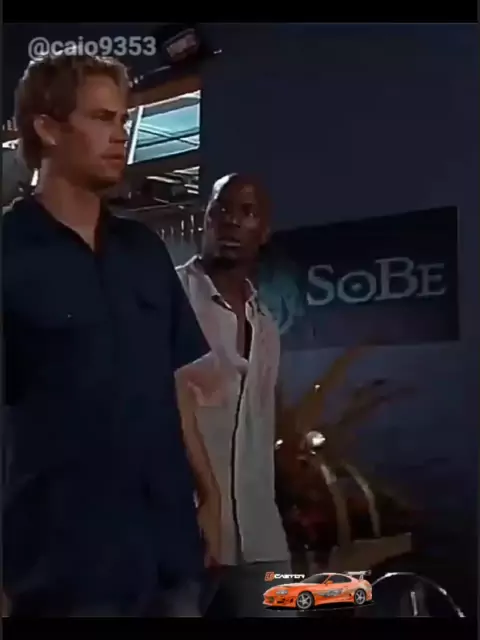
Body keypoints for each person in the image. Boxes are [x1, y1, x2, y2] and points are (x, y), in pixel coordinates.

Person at [2, 52, 220, 617]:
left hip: (169, 550)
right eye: (101, 118)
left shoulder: (143, 251)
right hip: (62, 564)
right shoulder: (8, 254)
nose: (120, 134)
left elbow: (174, 383)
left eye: (122, 119)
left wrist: (211, 493)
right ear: (48, 128)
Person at [176, 173, 293, 617]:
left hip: (260, 535)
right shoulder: (170, 296)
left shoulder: (266, 324)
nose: (230, 221)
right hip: (185, 530)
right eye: (221, 209)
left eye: (246, 212)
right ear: (205, 218)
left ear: (263, 232)